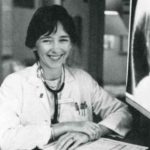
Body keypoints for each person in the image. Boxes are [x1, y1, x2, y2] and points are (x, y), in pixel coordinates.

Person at [0, 5, 132, 150]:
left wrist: (93, 132)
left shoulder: (83, 80)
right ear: (34, 45)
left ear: (70, 45)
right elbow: (4, 138)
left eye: (63, 40)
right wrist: (64, 127)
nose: (56, 49)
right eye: (47, 40)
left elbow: (122, 113)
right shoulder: (14, 84)